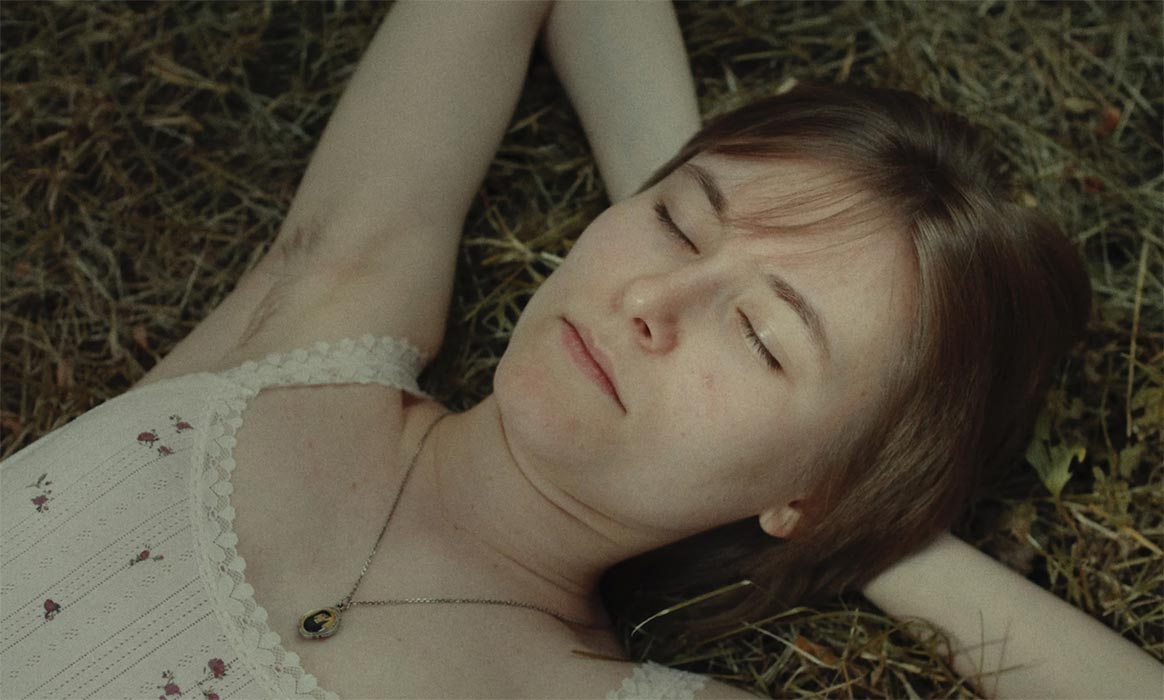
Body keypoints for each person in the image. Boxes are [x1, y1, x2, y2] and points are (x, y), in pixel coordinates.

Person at [0, 2, 1159, 699]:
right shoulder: (325, 303)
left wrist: (869, 523)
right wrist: (710, 189)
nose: (650, 298)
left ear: (814, 487)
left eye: (759, 336)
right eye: (673, 222)